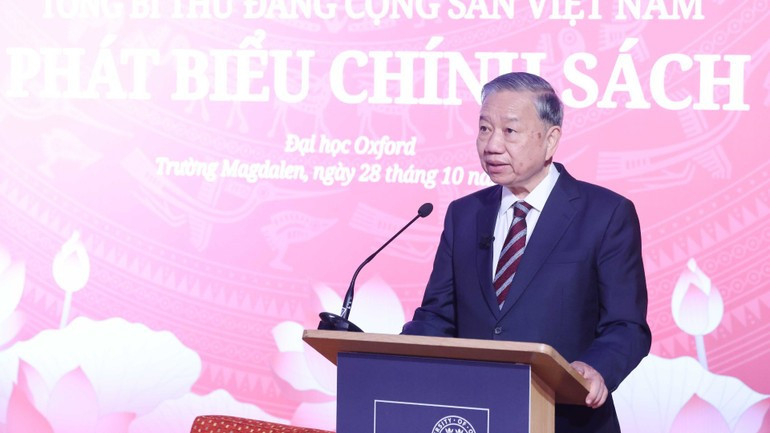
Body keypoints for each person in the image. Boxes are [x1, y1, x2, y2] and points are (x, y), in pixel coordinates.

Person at [402, 72, 651, 433]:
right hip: (474, 415)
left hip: (566, 418)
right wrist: (396, 355)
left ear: (550, 140)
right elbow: (438, 316)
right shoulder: (464, 214)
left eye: (510, 131)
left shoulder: (605, 214)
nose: (491, 145)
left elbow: (626, 326)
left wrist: (595, 368)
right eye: (485, 128)